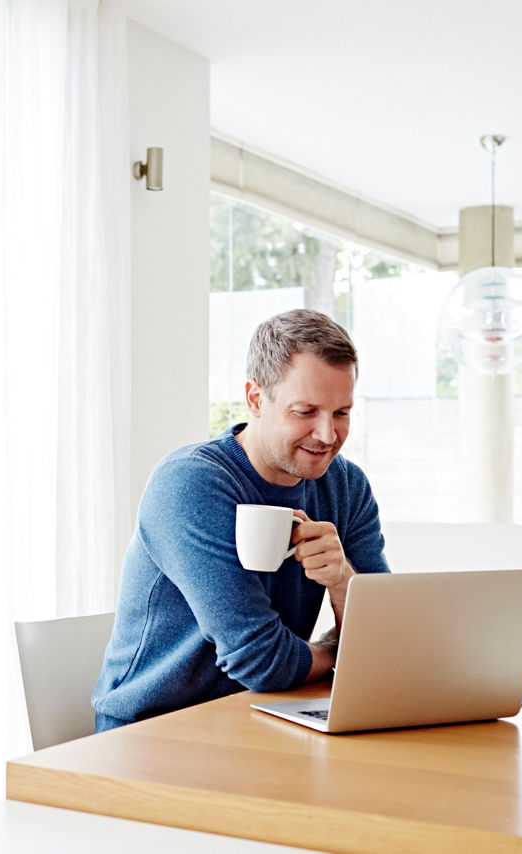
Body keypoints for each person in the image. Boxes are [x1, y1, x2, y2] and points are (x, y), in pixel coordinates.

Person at [92, 308, 389, 731]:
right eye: (306, 411)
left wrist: (342, 578)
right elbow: (262, 661)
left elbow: (384, 645)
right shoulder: (191, 483)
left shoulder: (346, 486)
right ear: (255, 399)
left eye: (341, 413)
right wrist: (331, 653)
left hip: (260, 715)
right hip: (151, 729)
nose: (327, 435)